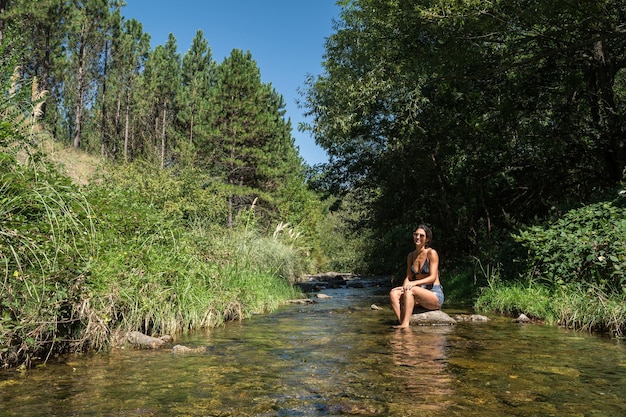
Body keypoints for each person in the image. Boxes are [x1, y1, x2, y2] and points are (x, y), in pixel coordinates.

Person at [390, 224, 444, 328]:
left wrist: (413, 284)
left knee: (411, 290)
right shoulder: (411, 256)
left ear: (427, 239)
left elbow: (433, 277)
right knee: (393, 293)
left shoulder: (431, 253)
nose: (418, 237)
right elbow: (409, 277)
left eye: (421, 235)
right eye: (416, 234)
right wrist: (404, 287)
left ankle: (405, 325)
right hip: (417, 293)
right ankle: (402, 321)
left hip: (434, 295)